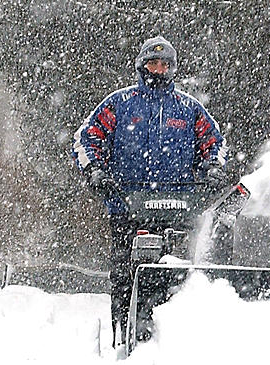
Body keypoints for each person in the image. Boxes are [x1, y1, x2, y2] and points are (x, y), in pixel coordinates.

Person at [71, 35, 230, 345]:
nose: (158, 69)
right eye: (153, 63)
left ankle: (180, 334)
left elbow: (215, 143)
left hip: (180, 205)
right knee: (124, 274)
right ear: (141, 66)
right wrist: (96, 170)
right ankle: (124, 334)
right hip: (127, 204)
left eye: (165, 64)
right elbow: (85, 139)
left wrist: (213, 166)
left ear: (172, 70)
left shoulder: (188, 108)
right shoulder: (120, 103)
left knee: (179, 271)